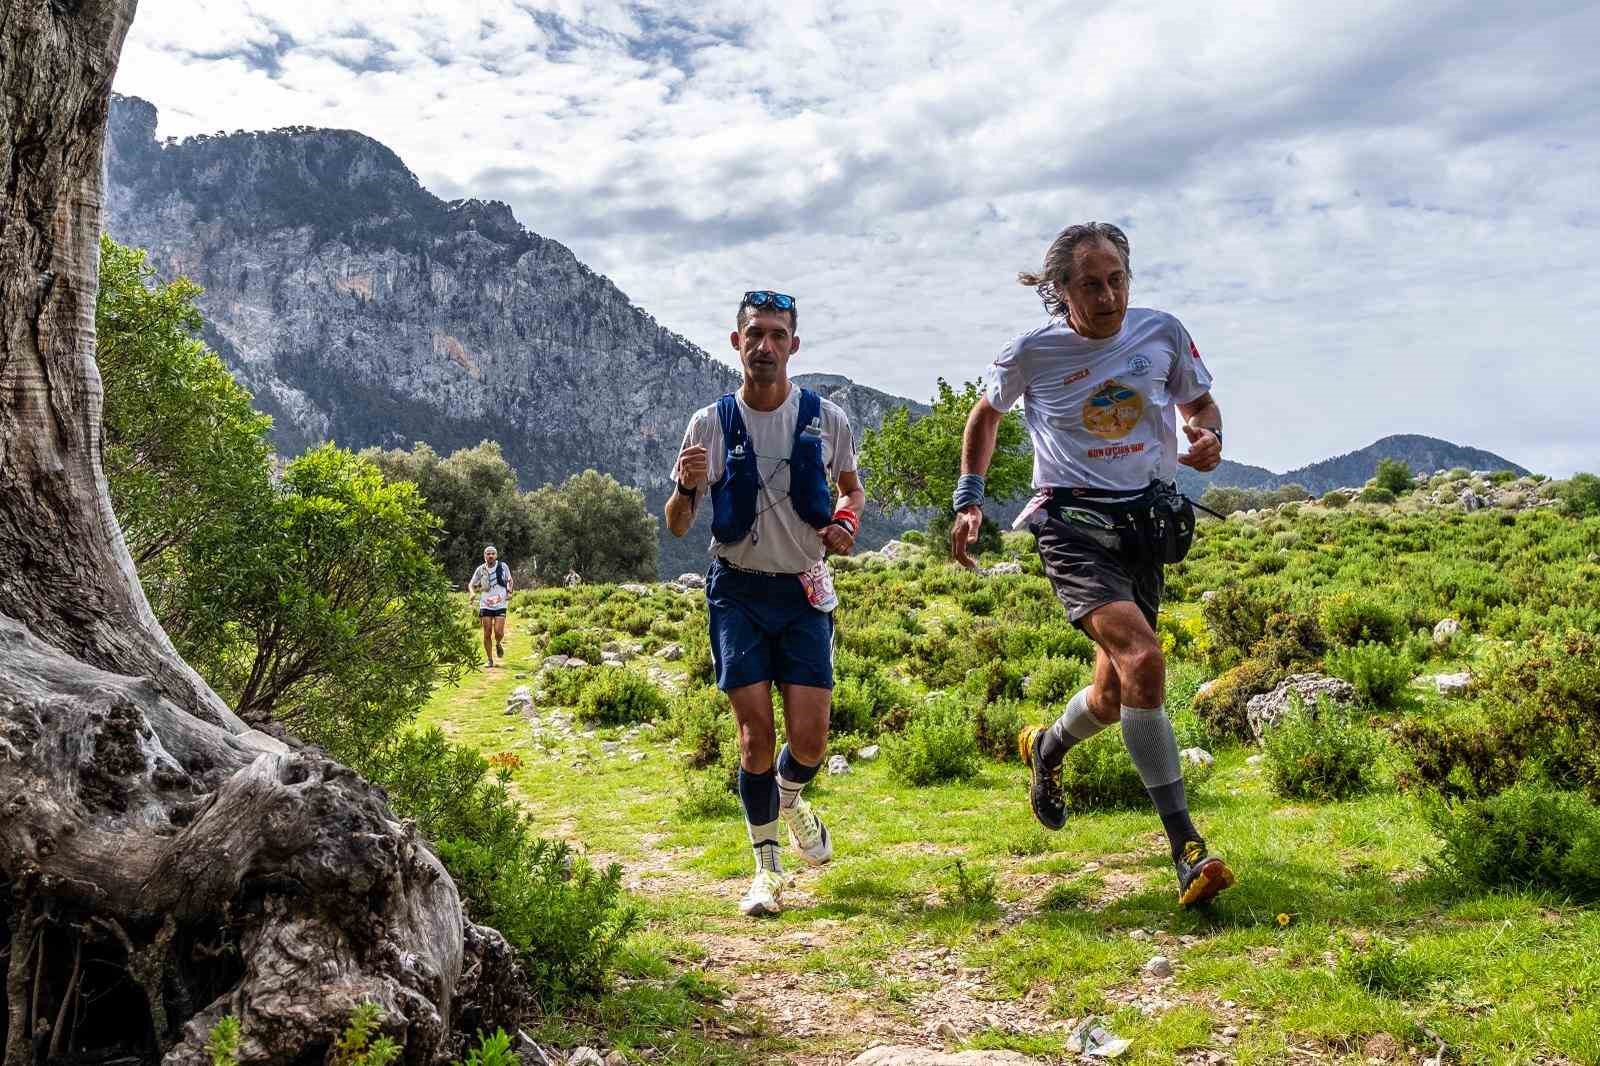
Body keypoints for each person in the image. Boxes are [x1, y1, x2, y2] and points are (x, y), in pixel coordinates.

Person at [951, 222, 1234, 908]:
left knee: (1113, 697)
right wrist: (970, 499)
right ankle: (1186, 848)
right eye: (1089, 284)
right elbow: (984, 419)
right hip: (1072, 529)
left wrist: (1209, 437)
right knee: (1145, 660)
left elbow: (1200, 406)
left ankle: (1047, 748)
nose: (1107, 295)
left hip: (1147, 526)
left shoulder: (1162, 333)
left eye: (1117, 280)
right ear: (1058, 292)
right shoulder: (1031, 353)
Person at [665, 290, 866, 917]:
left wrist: (846, 522)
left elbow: (852, 490)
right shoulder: (708, 425)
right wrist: (683, 484)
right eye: (755, 334)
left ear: (793, 347)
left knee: (811, 739)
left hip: (805, 588)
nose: (765, 346)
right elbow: (676, 526)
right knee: (754, 735)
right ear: (737, 343)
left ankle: (791, 796)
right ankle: (767, 870)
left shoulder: (826, 419)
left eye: (777, 335)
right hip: (738, 590)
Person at [468, 545, 512, 668]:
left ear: (496, 555)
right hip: (485, 604)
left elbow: (509, 580)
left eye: (493, 553)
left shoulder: (503, 566)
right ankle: (490, 660)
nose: (490, 555)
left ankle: (498, 643)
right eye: (488, 553)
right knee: (487, 633)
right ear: (484, 556)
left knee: (498, 632)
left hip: (500, 603)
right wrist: (472, 593)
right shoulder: (480, 569)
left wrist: (510, 592)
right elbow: (471, 584)